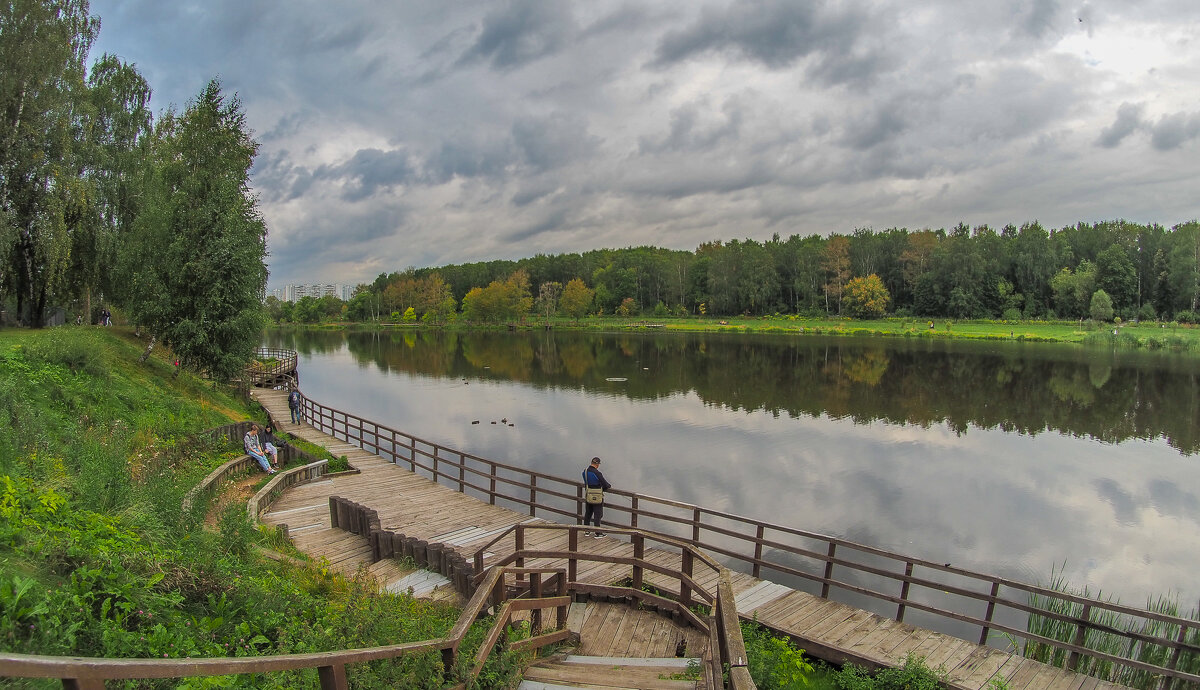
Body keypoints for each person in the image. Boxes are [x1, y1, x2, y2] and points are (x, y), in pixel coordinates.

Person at [581, 456, 611, 538]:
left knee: (588, 513)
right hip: (597, 496)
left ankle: (586, 531)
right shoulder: (597, 473)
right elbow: (605, 484)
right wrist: (608, 486)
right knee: (598, 514)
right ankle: (598, 533)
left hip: (588, 495)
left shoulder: (585, 471)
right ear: (597, 464)